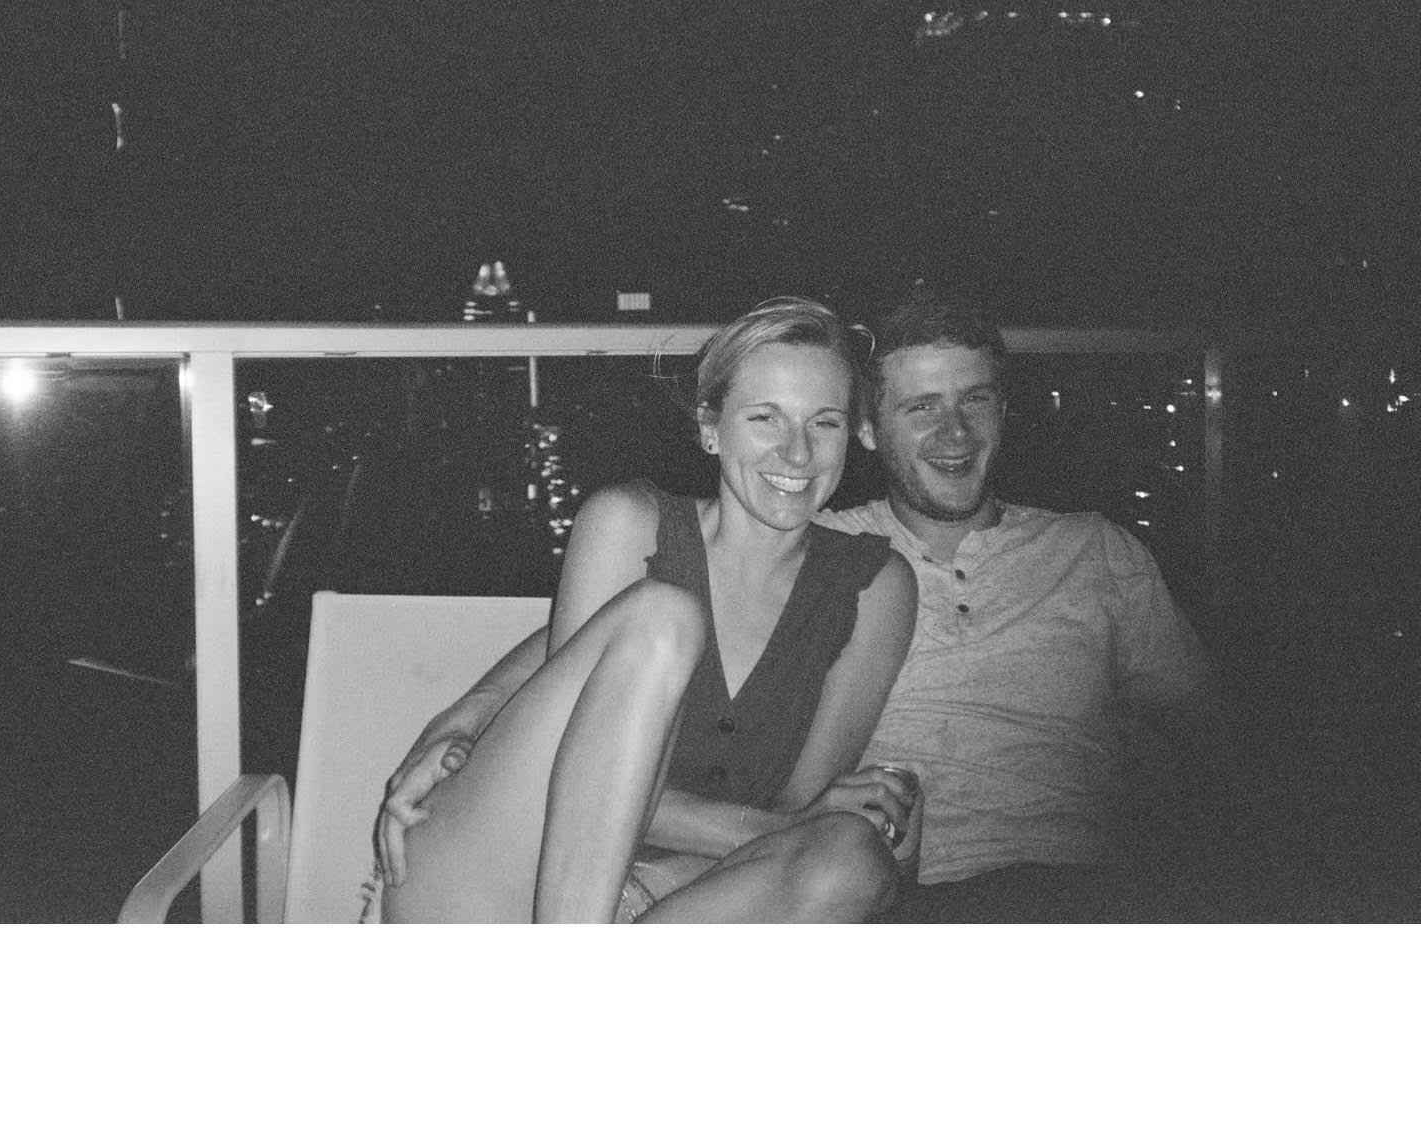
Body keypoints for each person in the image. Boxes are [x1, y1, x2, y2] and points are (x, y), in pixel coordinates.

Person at [368, 297, 920, 923]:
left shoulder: (874, 588)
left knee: (854, 858)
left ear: (853, 434)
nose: (797, 453)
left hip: (674, 899)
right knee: (665, 619)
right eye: (765, 418)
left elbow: (798, 817)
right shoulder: (629, 527)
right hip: (501, 874)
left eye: (824, 423)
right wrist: (469, 714)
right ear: (711, 427)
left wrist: (801, 829)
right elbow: (573, 779)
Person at [817, 282, 1225, 921]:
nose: (955, 431)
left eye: (975, 399)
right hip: (891, 899)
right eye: (922, 407)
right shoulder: (819, 552)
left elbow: (1210, 747)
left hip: (1081, 897)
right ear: (867, 429)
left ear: (1003, 411)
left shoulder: (1096, 551)